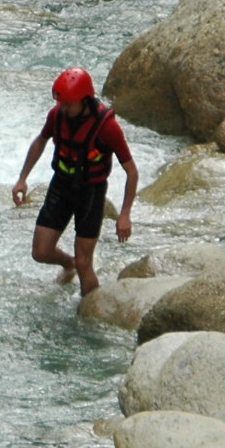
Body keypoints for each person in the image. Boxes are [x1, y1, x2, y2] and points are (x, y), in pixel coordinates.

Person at [12, 67, 137, 296]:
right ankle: (67, 264)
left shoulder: (107, 127)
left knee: (84, 263)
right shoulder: (57, 114)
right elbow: (40, 141)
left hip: (91, 192)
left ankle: (89, 311)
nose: (63, 107)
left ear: (84, 100)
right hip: (61, 185)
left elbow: (131, 171)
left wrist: (125, 214)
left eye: (68, 103)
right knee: (40, 252)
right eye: (61, 102)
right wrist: (22, 178)